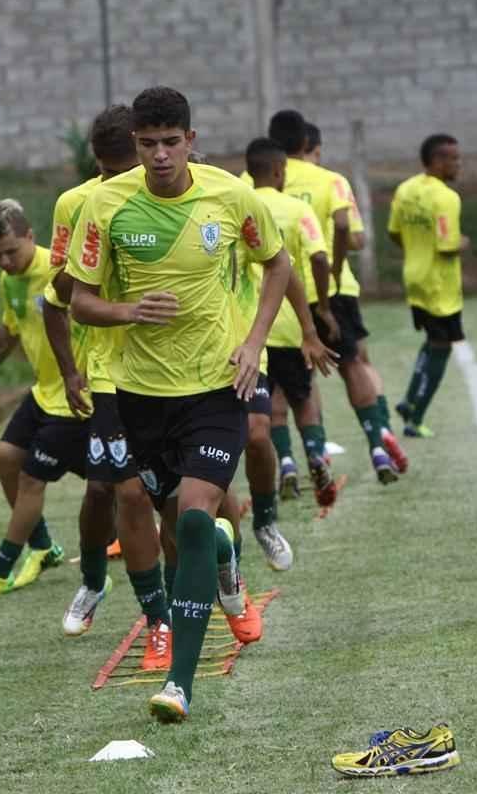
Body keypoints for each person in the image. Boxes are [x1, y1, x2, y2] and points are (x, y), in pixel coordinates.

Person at [68, 86, 295, 723]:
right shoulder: (105, 206)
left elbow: (277, 264)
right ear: (134, 145)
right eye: (148, 144)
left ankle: (179, 684)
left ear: (191, 140)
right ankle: (226, 560)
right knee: (177, 527)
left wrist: (254, 341)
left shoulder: (230, 194)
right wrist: (129, 311)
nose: (160, 155)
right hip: (141, 394)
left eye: (171, 142)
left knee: (193, 518)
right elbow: (78, 299)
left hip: (218, 385)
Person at [41, 104, 171, 638]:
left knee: (176, 492)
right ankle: (96, 582)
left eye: (131, 172)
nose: (125, 183)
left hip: (172, 368)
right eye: (115, 174)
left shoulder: (168, 195)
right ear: (98, 163)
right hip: (107, 371)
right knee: (108, 492)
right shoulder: (77, 205)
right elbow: (56, 297)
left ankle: (219, 582)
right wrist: (70, 371)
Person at [0, 199, 109, 599]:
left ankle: (2, 568)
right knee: (6, 457)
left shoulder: (60, 271)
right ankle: (43, 547)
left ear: (30, 237)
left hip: (76, 397)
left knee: (34, 479)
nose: (4, 262)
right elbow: (10, 330)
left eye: (11, 251)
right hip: (44, 393)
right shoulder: (10, 281)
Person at [264, 110, 404, 488]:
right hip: (329, 290)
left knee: (289, 382)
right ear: (308, 144)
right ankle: (377, 446)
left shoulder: (254, 181)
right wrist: (339, 268)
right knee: (352, 363)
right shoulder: (331, 180)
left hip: (276, 297)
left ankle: (304, 457)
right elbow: (348, 230)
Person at [242, 137, 335, 566]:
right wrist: (317, 313)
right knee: (305, 400)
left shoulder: (238, 202)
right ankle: (315, 452)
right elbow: (314, 257)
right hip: (288, 326)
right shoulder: (295, 211)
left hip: (250, 335)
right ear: (279, 172)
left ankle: (287, 463)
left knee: (270, 409)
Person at [389, 134, 469, 437]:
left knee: (431, 340)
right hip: (439, 286)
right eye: (453, 158)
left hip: (414, 276)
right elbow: (447, 245)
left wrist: (415, 248)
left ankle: (409, 400)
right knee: (442, 346)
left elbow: (394, 232)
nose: (458, 164)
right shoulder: (446, 197)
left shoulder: (405, 189)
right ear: (437, 161)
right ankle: (415, 417)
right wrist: (463, 243)